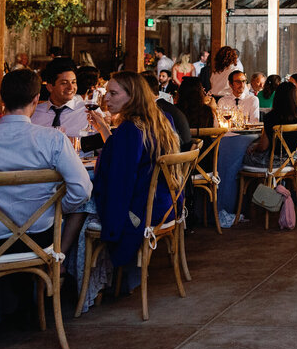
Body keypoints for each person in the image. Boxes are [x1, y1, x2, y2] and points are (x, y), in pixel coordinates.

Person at [0, 69, 92, 256]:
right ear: (36, 99)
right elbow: (82, 190)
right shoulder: (54, 140)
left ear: (0, 97)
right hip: (39, 238)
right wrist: (53, 208)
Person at [92, 71, 180, 266]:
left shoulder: (129, 129)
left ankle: (86, 285)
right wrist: (104, 130)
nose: (106, 98)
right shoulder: (162, 119)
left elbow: (120, 181)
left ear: (132, 97)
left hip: (141, 215)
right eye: (106, 92)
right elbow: (127, 155)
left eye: (113, 93)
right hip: (166, 205)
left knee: (79, 213)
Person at [32, 58, 109, 153]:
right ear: (50, 87)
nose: (71, 87)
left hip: (80, 165)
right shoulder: (34, 112)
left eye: (73, 82)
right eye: (64, 83)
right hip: (41, 166)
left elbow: (104, 147)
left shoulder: (88, 111)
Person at [243, 82, 297, 169]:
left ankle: (261, 182)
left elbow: (263, 147)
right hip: (293, 160)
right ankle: (278, 182)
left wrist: (255, 147)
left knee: (242, 156)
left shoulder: (271, 117)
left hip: (273, 163)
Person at [141, 71, 192, 151]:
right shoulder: (163, 105)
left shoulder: (158, 110)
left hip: (174, 159)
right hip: (183, 155)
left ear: (144, 90)